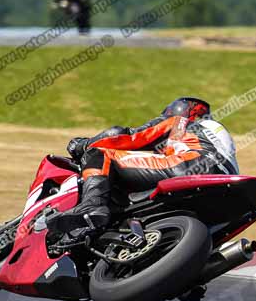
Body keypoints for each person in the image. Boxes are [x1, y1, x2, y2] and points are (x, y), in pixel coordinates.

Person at [46, 97, 240, 234]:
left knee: (101, 154)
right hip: (224, 185)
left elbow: (127, 136)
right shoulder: (215, 133)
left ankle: (92, 206)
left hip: (190, 165)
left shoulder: (180, 122)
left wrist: (84, 145)